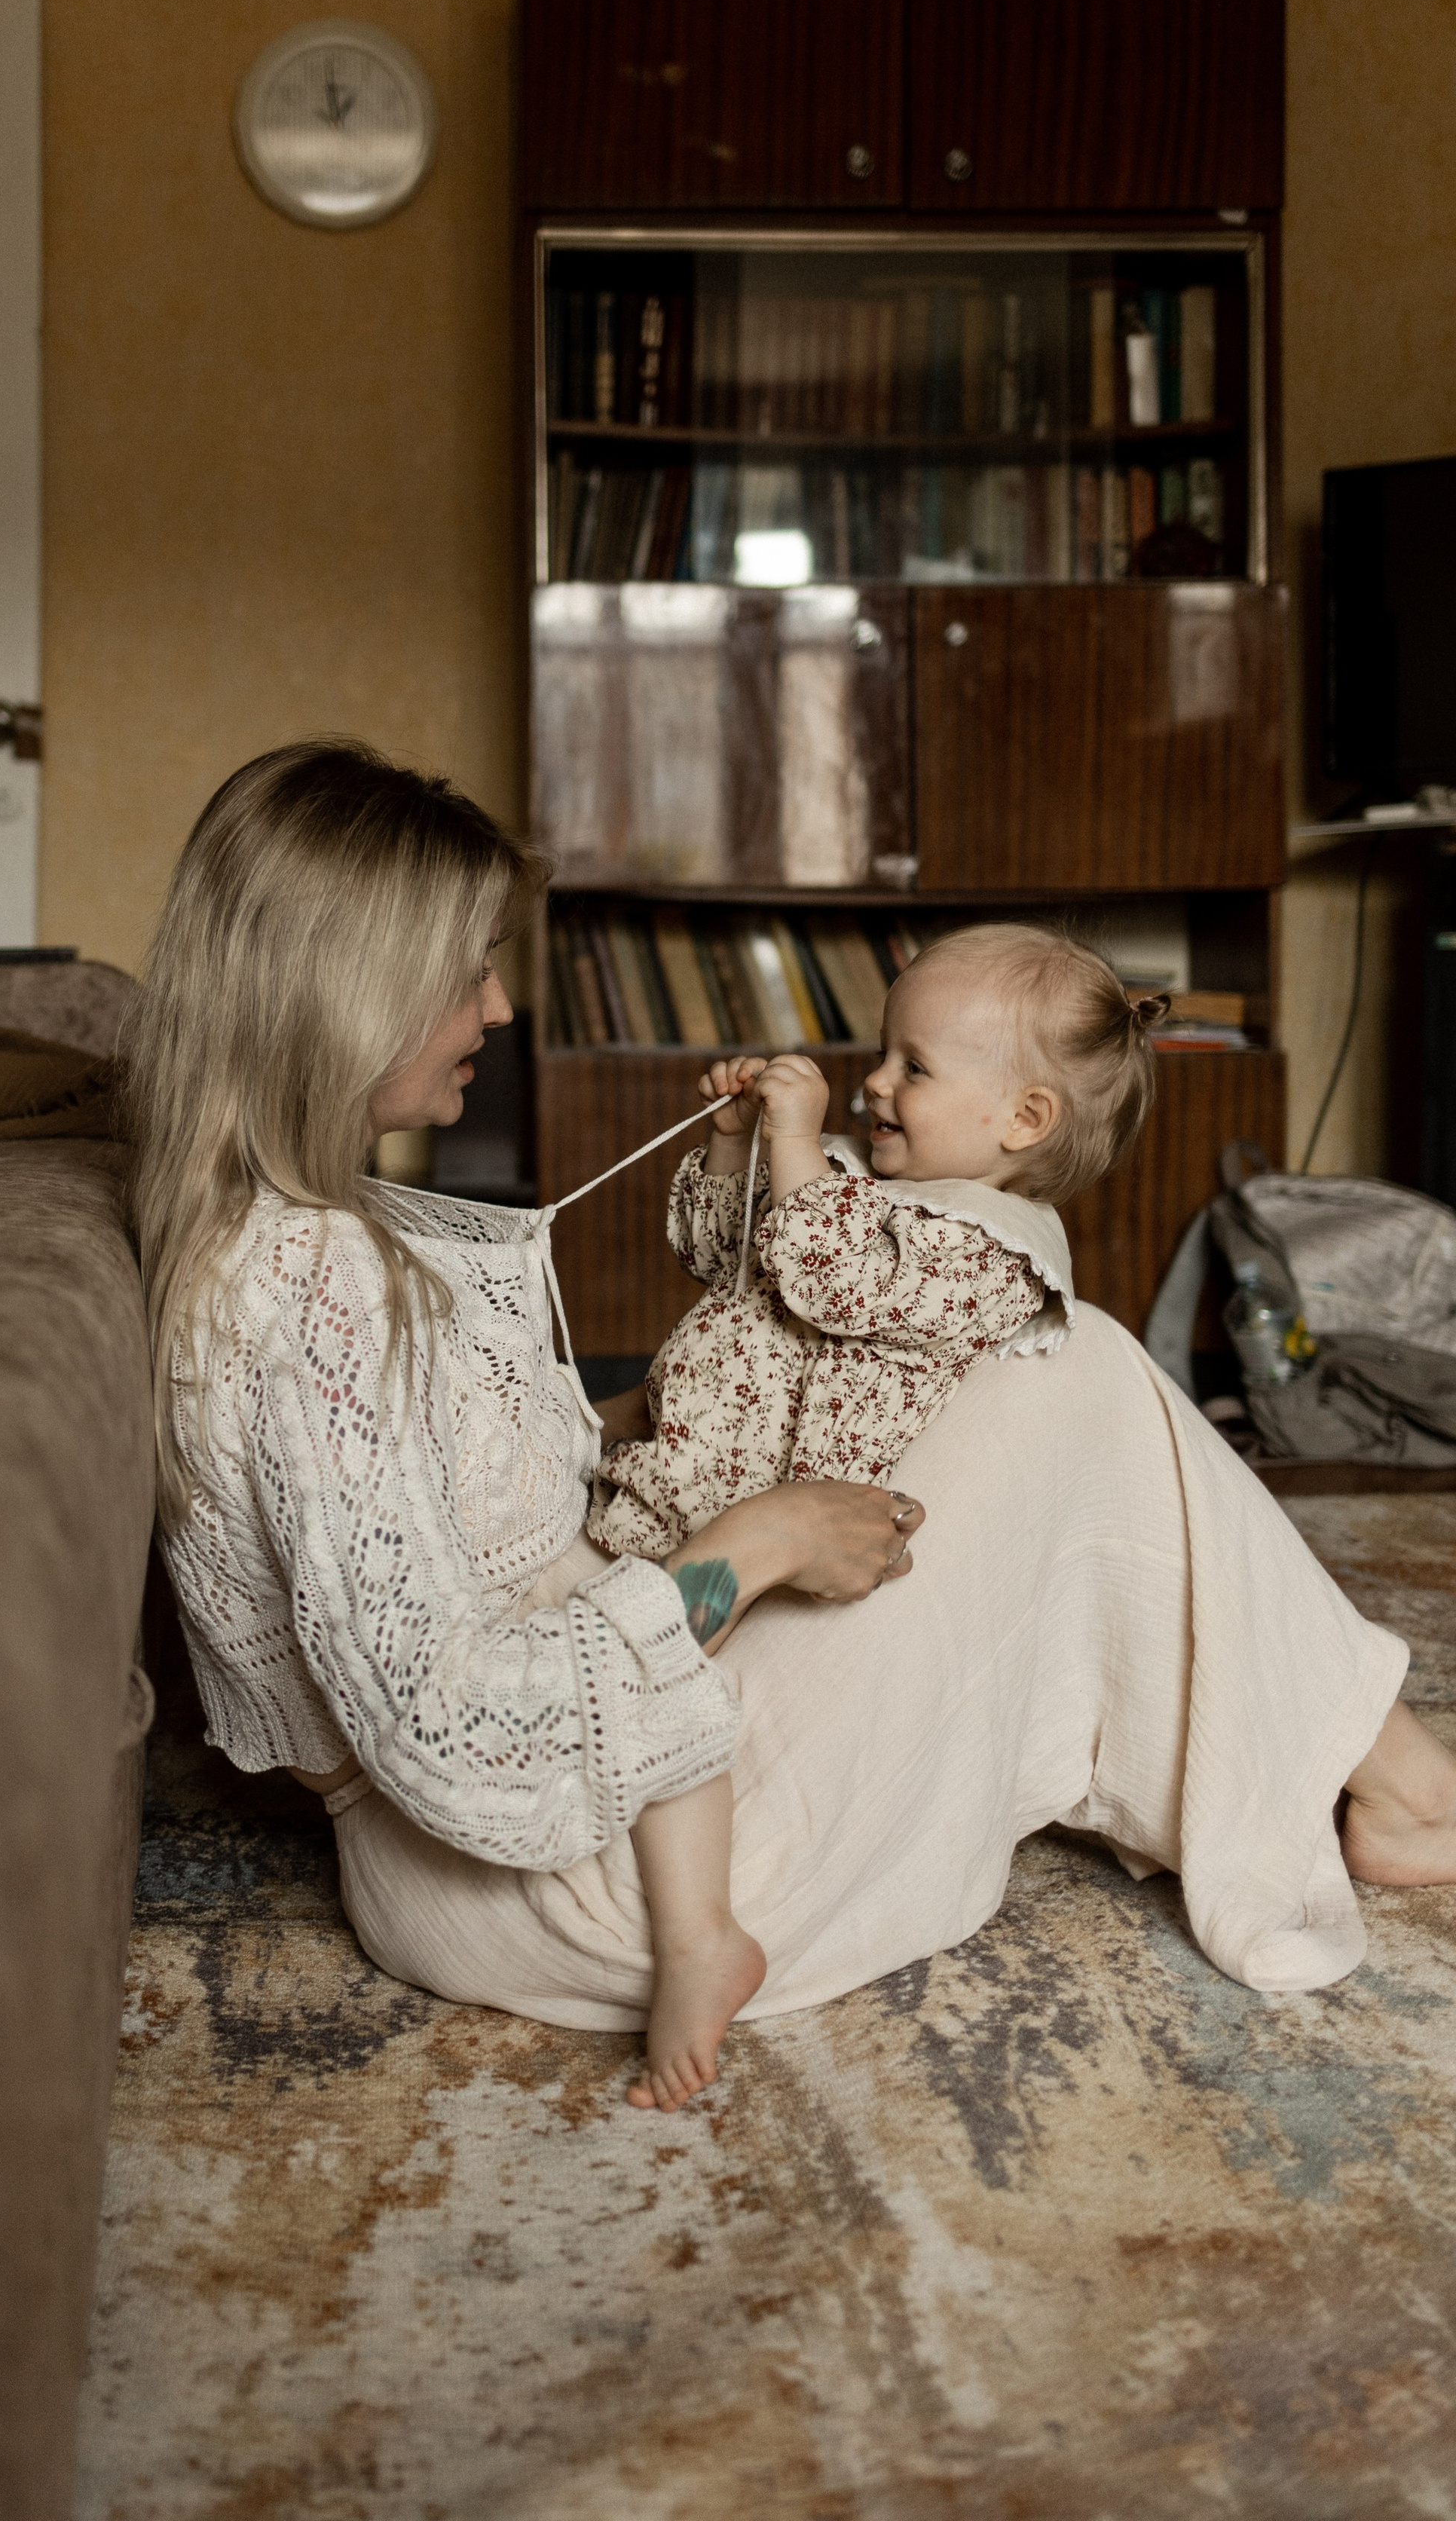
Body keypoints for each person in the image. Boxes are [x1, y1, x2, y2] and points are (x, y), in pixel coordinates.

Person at [128, 739, 1456, 2116]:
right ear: (356, 991)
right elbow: (458, 1734)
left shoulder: (285, 1236)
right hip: (576, 1876)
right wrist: (753, 1546)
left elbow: (448, 1496)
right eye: (470, 968)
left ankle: (1370, 1773)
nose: (504, 1006)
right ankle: (1400, 1786)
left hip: (557, 1826)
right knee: (1085, 1376)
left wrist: (666, 1422)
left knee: (1054, 1393)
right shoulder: (309, 1285)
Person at [592, 926, 1168, 2108]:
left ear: (1024, 1121)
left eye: (915, 1066)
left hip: (771, 1530)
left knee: (668, 1689)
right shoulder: (853, 1181)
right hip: (688, 1484)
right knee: (615, 1652)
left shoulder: (994, 1248)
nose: (873, 1083)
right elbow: (719, 1252)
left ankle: (703, 1936)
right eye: (882, 1054)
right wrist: (739, 1142)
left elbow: (838, 1278)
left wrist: (800, 1150)